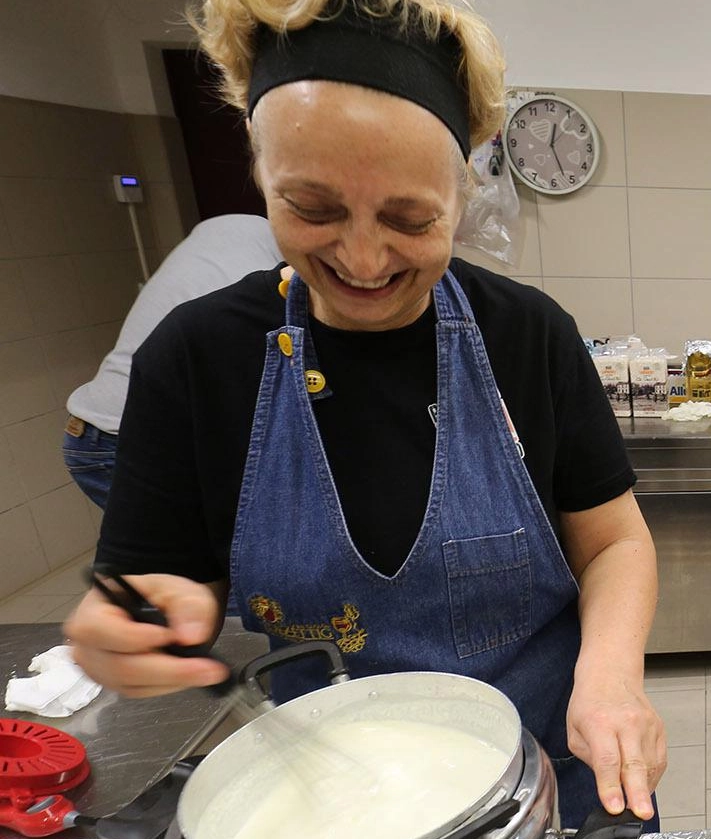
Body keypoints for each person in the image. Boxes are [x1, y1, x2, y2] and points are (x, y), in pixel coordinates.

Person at [62, 0, 665, 828]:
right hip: (327, 801)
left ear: (462, 193)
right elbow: (154, 591)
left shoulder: (528, 337)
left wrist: (610, 679)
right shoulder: (195, 360)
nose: (363, 256)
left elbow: (615, 542)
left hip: (555, 765)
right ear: (259, 170)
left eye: (409, 220)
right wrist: (129, 633)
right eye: (312, 209)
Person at [63, 215, 282, 509]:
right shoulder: (257, 289)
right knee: (227, 549)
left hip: (113, 429)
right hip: (115, 438)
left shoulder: (239, 228)